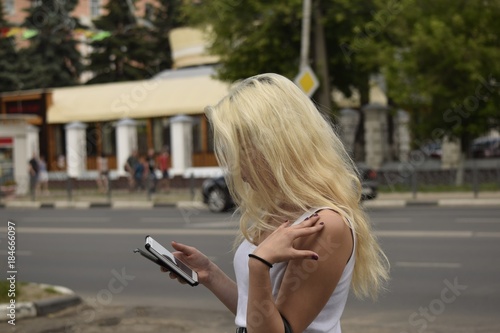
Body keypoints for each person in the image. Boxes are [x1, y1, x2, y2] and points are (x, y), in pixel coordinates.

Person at [162, 74, 390, 333]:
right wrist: (210, 275)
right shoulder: (279, 211)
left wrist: (259, 265)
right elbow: (256, 315)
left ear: (273, 148)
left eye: (239, 150)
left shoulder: (325, 224)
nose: (232, 167)